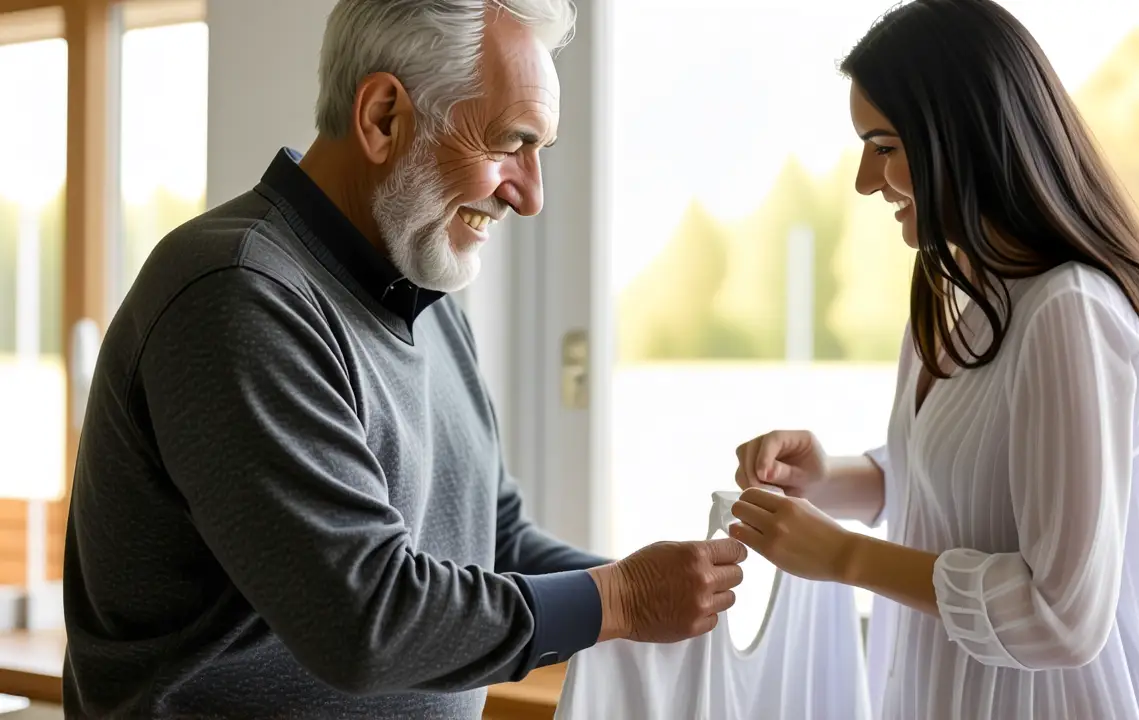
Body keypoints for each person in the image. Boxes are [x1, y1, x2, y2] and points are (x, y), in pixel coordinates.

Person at [61, 2, 746, 718]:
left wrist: (680, 589)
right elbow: (365, 620)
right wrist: (624, 598)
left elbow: (495, 539)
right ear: (385, 116)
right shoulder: (236, 292)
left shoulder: (428, 296)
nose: (531, 194)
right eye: (510, 142)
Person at [730, 1, 1139, 718]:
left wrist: (845, 559)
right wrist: (831, 480)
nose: (865, 180)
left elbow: (1062, 615)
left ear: (967, 138)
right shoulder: (955, 298)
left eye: (884, 146)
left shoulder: (1069, 312)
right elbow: (962, 495)